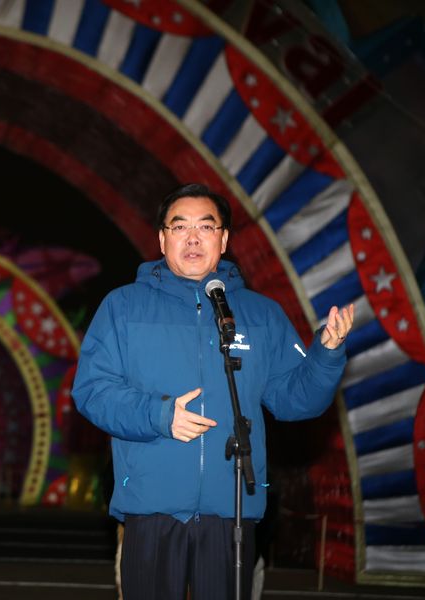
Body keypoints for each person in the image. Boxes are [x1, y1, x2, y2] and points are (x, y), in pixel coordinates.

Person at [71, 183, 353, 599]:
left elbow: (296, 401)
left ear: (223, 240)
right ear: (162, 238)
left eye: (206, 227)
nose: (192, 237)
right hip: (152, 508)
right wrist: (159, 416)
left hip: (231, 512)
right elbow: (92, 390)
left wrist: (326, 354)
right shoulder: (123, 307)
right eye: (179, 226)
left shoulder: (260, 314)